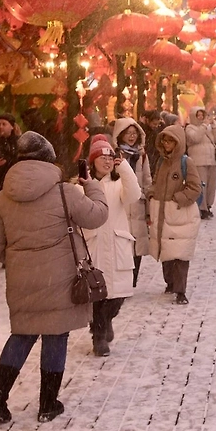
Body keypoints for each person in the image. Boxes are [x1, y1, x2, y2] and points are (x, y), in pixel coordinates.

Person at [0, 131, 108, 424]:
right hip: (59, 277)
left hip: (21, 279)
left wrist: (21, 258)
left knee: (21, 336)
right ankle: (47, 404)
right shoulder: (65, 192)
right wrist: (91, 187)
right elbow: (97, 216)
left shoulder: (2, 198)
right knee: (55, 334)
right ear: (49, 159)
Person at [85, 135, 139, 357]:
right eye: (102, 157)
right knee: (98, 295)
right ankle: (98, 336)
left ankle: (106, 321)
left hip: (118, 244)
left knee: (118, 294)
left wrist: (124, 166)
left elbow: (134, 195)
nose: (107, 162)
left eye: (110, 157)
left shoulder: (118, 183)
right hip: (94, 245)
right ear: (93, 160)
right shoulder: (84, 184)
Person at [147, 123, 202, 305]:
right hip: (162, 213)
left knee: (180, 254)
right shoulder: (161, 162)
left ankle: (180, 290)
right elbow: (156, 181)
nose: (167, 144)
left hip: (180, 216)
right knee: (166, 252)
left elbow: (195, 187)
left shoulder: (186, 162)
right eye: (165, 140)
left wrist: (179, 198)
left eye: (171, 140)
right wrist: (152, 192)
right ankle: (170, 283)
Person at [112, 116, 153, 287]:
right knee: (121, 243)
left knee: (136, 244)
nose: (131, 136)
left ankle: (132, 280)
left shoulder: (141, 156)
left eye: (134, 133)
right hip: (120, 203)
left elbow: (147, 179)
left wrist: (147, 199)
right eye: (128, 133)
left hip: (137, 204)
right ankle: (124, 280)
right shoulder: (114, 155)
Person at [185, 107, 216, 219]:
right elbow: (196, 138)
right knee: (201, 185)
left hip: (211, 160)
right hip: (198, 161)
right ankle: (202, 207)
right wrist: (204, 126)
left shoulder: (207, 128)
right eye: (198, 115)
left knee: (211, 185)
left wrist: (214, 126)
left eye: (202, 115)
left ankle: (209, 205)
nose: (200, 117)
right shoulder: (190, 128)